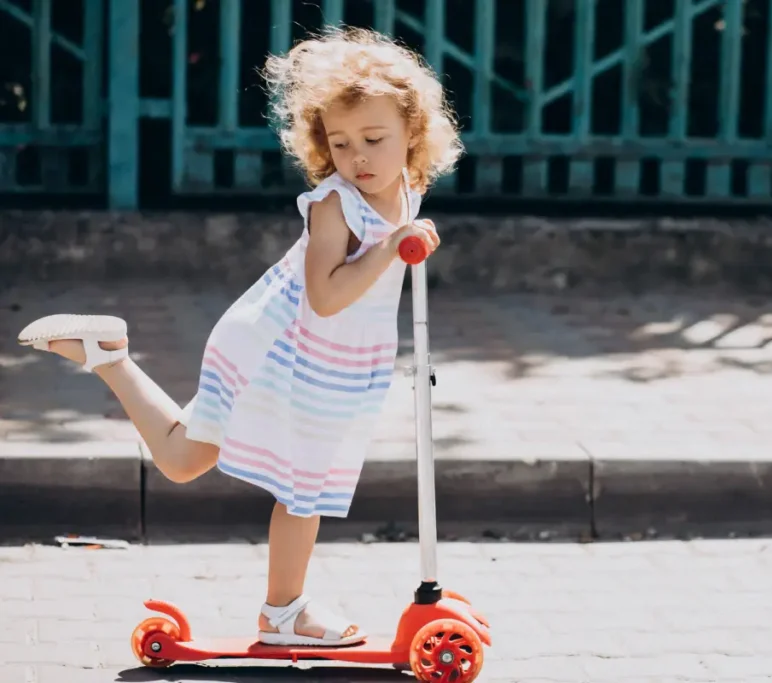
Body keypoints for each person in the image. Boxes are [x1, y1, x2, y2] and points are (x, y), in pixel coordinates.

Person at [16, 26, 463, 647]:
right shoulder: (337, 205)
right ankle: (283, 615)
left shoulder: (405, 191)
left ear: (413, 134)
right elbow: (327, 297)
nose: (358, 156)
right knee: (302, 489)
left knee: (182, 459)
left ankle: (110, 357)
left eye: (373, 139)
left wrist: (399, 240)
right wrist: (390, 248)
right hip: (286, 353)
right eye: (339, 143)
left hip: (328, 359)